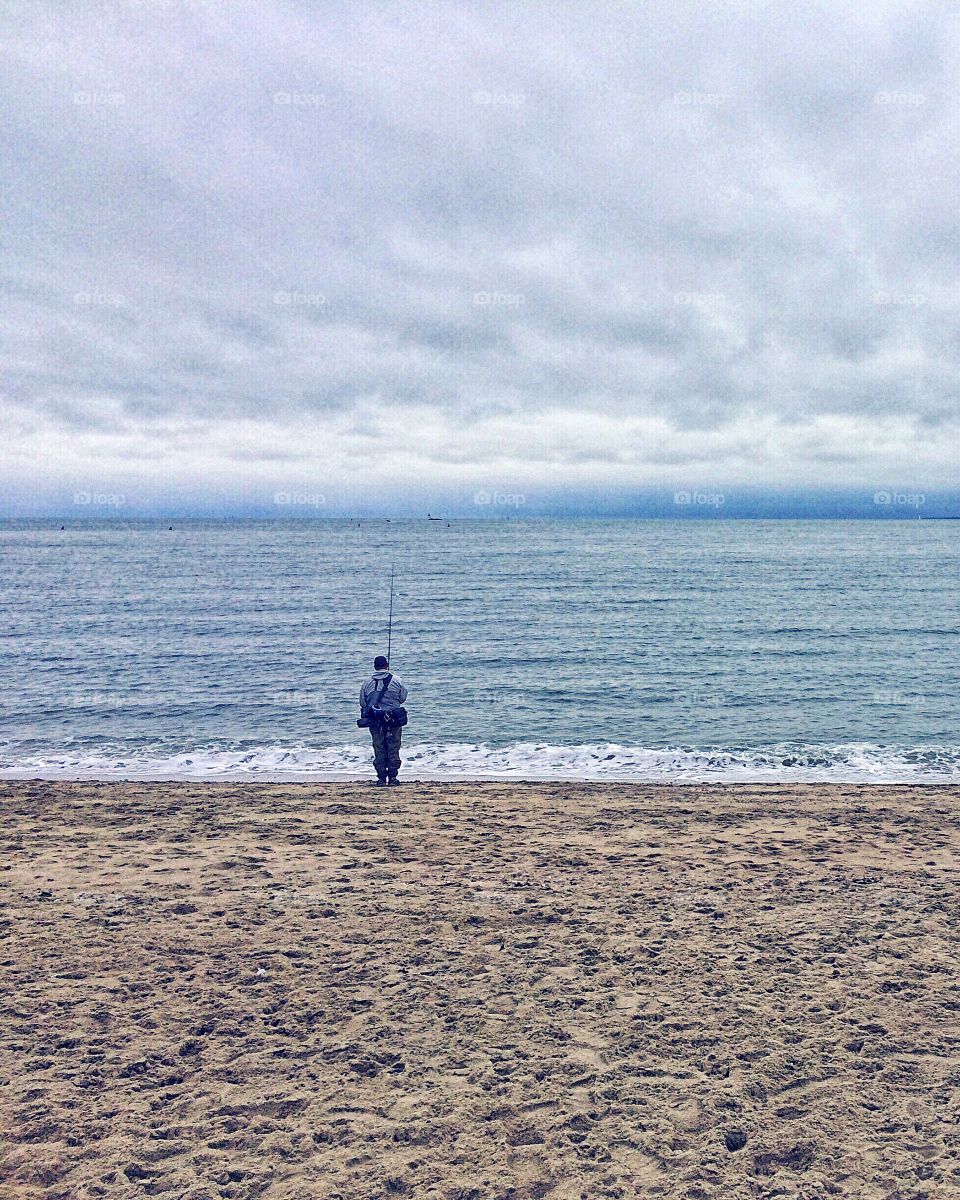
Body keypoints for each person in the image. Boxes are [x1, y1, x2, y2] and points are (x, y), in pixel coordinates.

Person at [359, 655, 408, 786]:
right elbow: (402, 698)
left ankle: (381, 778)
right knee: (393, 747)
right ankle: (392, 778)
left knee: (379, 747)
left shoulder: (366, 682)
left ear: (375, 666)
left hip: (375, 720)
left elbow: (363, 702)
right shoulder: (397, 680)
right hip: (393, 719)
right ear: (387, 665)